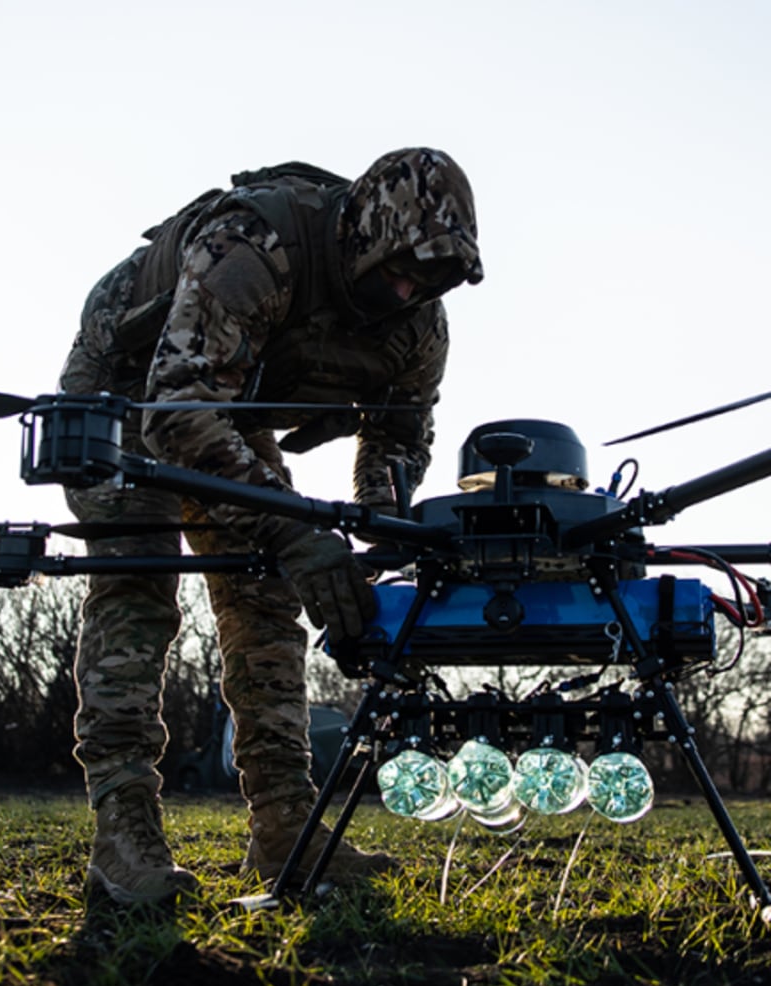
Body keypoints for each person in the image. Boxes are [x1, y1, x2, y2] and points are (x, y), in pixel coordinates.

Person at [59, 148, 483, 905]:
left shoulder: (419, 326)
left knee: (265, 604)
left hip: (232, 401)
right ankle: (123, 833)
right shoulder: (255, 245)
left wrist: (380, 520)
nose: (410, 289)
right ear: (365, 236)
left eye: (432, 279)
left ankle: (286, 825)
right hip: (132, 393)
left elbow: (398, 433)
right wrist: (295, 535)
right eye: (400, 270)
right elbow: (176, 409)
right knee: (139, 586)